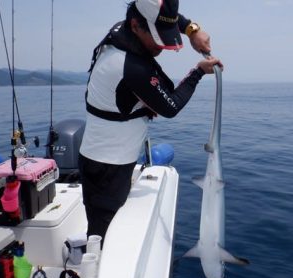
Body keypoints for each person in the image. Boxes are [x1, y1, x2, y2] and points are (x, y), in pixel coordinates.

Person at [78, 0, 223, 241]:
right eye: (157, 36)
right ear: (136, 25)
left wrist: (192, 31)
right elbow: (171, 107)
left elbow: (168, 16)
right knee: (102, 237)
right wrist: (197, 72)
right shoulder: (132, 67)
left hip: (113, 158)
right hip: (107, 166)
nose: (163, 45)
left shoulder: (123, 29)